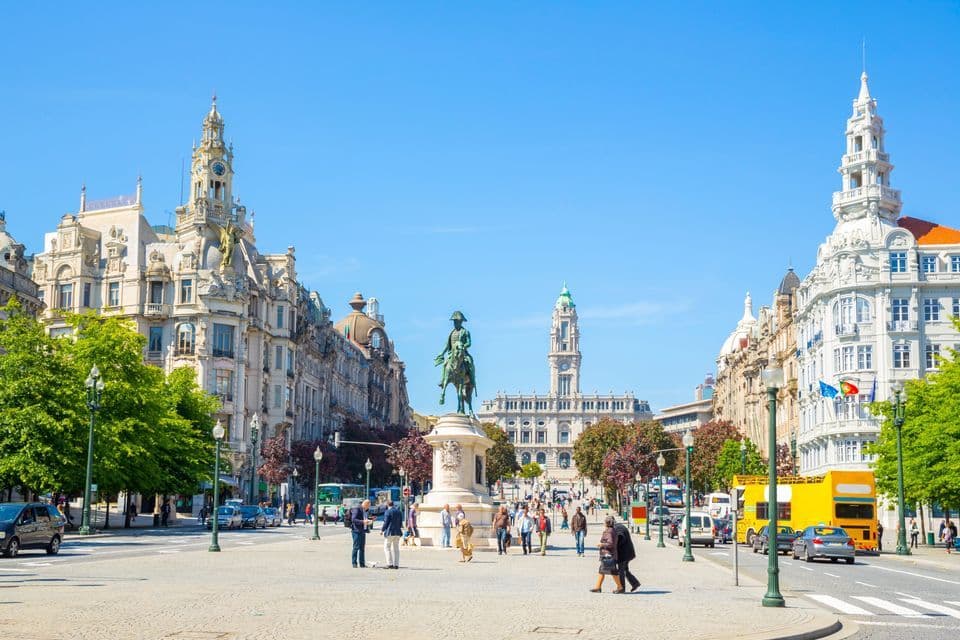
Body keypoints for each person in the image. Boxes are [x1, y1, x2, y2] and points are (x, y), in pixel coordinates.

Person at [591, 516, 624, 593]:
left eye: (604, 522)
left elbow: (610, 543)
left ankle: (619, 587)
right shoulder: (613, 530)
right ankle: (598, 587)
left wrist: (601, 544)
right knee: (603, 570)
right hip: (610, 554)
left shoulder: (609, 531)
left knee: (611, 571)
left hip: (608, 554)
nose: (604, 523)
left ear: (607, 523)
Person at [613, 519, 640, 592]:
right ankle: (635, 583)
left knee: (621, 570)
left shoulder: (617, 528)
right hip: (628, 552)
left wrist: (615, 546)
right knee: (625, 569)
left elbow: (621, 537)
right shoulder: (620, 526)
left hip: (623, 554)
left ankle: (621, 588)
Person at [349, 499, 375, 568]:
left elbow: (365, 518)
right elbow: (353, 519)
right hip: (356, 531)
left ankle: (362, 563)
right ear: (365, 504)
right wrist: (363, 522)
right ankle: (354, 563)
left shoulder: (365, 510)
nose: (368, 507)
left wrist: (370, 520)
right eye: (368, 506)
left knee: (362, 548)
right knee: (356, 547)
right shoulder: (357, 509)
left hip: (363, 531)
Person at [381, 499, 403, 569]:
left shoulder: (388, 512)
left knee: (387, 548)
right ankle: (396, 564)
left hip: (390, 532)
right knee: (396, 549)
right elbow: (400, 523)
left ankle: (389, 563)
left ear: (387, 505)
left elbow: (386, 522)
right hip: (397, 532)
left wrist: (382, 530)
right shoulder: (399, 512)